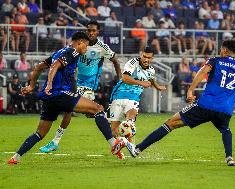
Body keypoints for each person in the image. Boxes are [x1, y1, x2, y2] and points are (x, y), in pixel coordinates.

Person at [121, 40, 235, 166]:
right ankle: (229, 157)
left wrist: (191, 90)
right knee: (225, 129)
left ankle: (137, 149)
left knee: (170, 123)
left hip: (206, 105)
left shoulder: (216, 60)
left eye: (221, 49)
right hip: (225, 110)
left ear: (225, 50)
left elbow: (202, 72)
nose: (220, 51)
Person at [7, 31, 124, 164]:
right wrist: (50, 83)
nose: (86, 49)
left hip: (49, 98)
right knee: (98, 108)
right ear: (80, 43)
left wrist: (31, 86)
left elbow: (39, 67)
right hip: (61, 94)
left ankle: (15, 157)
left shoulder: (59, 52)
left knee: (40, 133)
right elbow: (55, 66)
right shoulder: (72, 52)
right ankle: (114, 144)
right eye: (85, 46)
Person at [39, 21, 124, 159]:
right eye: (89, 30)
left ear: (98, 32)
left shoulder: (102, 47)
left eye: (94, 31)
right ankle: (116, 137)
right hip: (74, 83)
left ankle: (55, 141)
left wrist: (120, 78)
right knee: (91, 113)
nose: (91, 33)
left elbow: (115, 60)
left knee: (72, 111)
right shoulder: (79, 45)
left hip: (89, 86)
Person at [108, 46, 166, 140]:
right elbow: (125, 78)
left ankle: (131, 144)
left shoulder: (151, 70)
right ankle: (123, 144)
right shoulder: (133, 63)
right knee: (114, 130)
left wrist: (157, 86)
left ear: (152, 58)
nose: (146, 59)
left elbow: (151, 79)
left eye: (149, 58)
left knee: (130, 123)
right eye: (144, 56)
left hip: (133, 97)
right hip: (119, 95)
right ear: (141, 54)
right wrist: (142, 83)